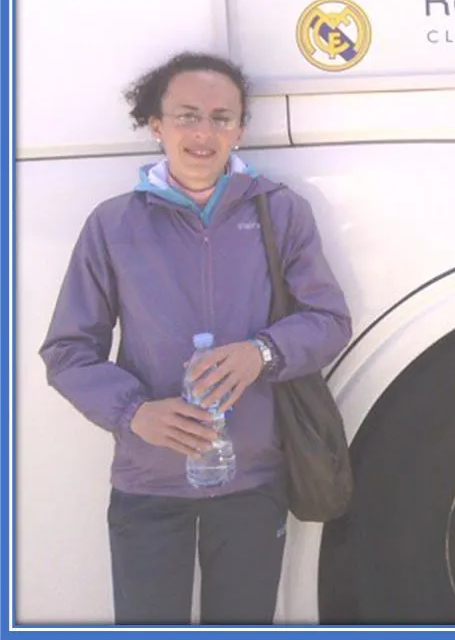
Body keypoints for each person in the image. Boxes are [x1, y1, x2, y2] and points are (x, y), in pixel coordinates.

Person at [39, 52, 352, 625]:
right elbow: (66, 351)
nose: (203, 133)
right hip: (148, 484)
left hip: (253, 480)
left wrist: (263, 352)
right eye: (186, 115)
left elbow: (329, 320)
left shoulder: (281, 213)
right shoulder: (113, 225)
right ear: (156, 125)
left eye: (220, 117)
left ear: (239, 128)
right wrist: (134, 412)